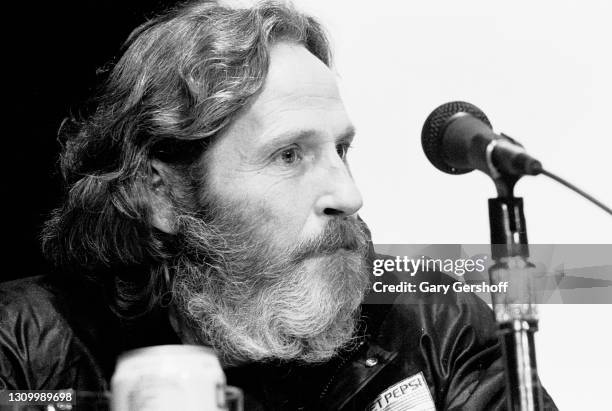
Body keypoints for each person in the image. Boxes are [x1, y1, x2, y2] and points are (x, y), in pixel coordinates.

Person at [0, 1, 556, 409]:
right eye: (289, 155)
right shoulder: (25, 346)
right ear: (159, 193)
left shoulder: (436, 319)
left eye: (341, 149)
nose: (349, 195)